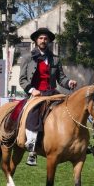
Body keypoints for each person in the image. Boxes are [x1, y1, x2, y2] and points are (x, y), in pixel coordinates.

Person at [19, 27, 77, 166]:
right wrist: (32, 90)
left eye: (46, 38)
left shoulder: (55, 59)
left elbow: (61, 78)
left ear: (49, 41)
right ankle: (32, 148)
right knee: (34, 112)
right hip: (36, 93)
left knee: (71, 109)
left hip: (52, 92)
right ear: (35, 40)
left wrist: (69, 82)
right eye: (41, 38)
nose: (43, 40)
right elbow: (22, 79)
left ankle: (76, 143)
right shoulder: (27, 58)